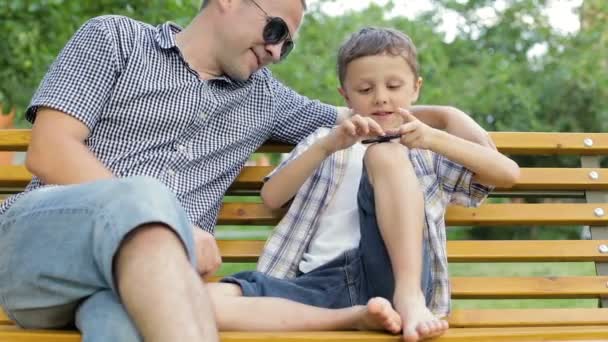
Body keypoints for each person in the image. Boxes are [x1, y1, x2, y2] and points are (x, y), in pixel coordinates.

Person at [0, 1, 481, 341]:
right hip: (45, 249)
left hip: (151, 280)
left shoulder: (265, 96)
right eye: (275, 30)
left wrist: (445, 116)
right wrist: (168, 223)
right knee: (146, 201)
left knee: (123, 322)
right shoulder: (115, 39)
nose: (275, 51)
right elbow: (50, 151)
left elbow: (373, 115)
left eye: (286, 46)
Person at [209, 26, 520, 341]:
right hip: (320, 284)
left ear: (416, 88)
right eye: (365, 89)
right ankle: (356, 317)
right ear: (345, 95)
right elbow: (272, 197)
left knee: (384, 155)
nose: (381, 97)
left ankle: (409, 300)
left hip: (392, 278)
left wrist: (435, 132)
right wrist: (328, 145)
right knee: (205, 301)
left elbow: (507, 173)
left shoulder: (425, 149)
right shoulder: (325, 141)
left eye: (394, 85)